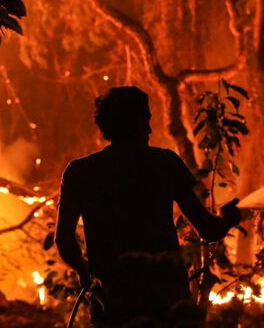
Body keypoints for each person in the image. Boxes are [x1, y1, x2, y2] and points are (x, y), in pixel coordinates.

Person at [56, 86, 242, 326]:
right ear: (136, 123)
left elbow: (64, 239)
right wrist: (228, 218)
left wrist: (85, 274)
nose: (150, 129)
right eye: (145, 120)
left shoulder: (80, 172)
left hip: (114, 298)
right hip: (167, 296)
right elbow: (208, 230)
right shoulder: (165, 163)